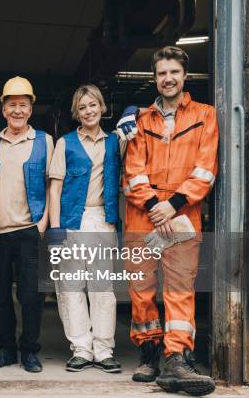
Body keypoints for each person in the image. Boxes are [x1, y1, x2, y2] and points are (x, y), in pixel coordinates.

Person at [120, 46, 218, 396]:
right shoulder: (140, 121)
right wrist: (154, 206)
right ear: (155, 77)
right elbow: (133, 171)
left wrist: (172, 205)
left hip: (182, 214)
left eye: (174, 72)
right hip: (143, 214)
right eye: (162, 73)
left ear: (184, 75)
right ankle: (149, 352)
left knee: (179, 288)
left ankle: (178, 357)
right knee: (141, 289)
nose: (168, 78)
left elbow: (205, 169)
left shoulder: (205, 116)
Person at [0, 76, 54, 373]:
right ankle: (6, 349)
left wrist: (44, 223)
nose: (17, 111)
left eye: (23, 105)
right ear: (3, 109)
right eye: (12, 105)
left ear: (31, 109)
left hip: (29, 229)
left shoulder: (44, 141)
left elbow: (52, 184)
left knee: (31, 296)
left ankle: (29, 351)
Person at [48, 84, 124, 374]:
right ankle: (81, 348)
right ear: (76, 113)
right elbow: (54, 189)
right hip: (71, 221)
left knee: (102, 288)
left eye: (93, 105)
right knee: (70, 288)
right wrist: (55, 230)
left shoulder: (115, 142)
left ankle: (104, 350)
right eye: (82, 107)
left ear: (102, 108)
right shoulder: (65, 143)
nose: (89, 111)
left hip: (103, 220)